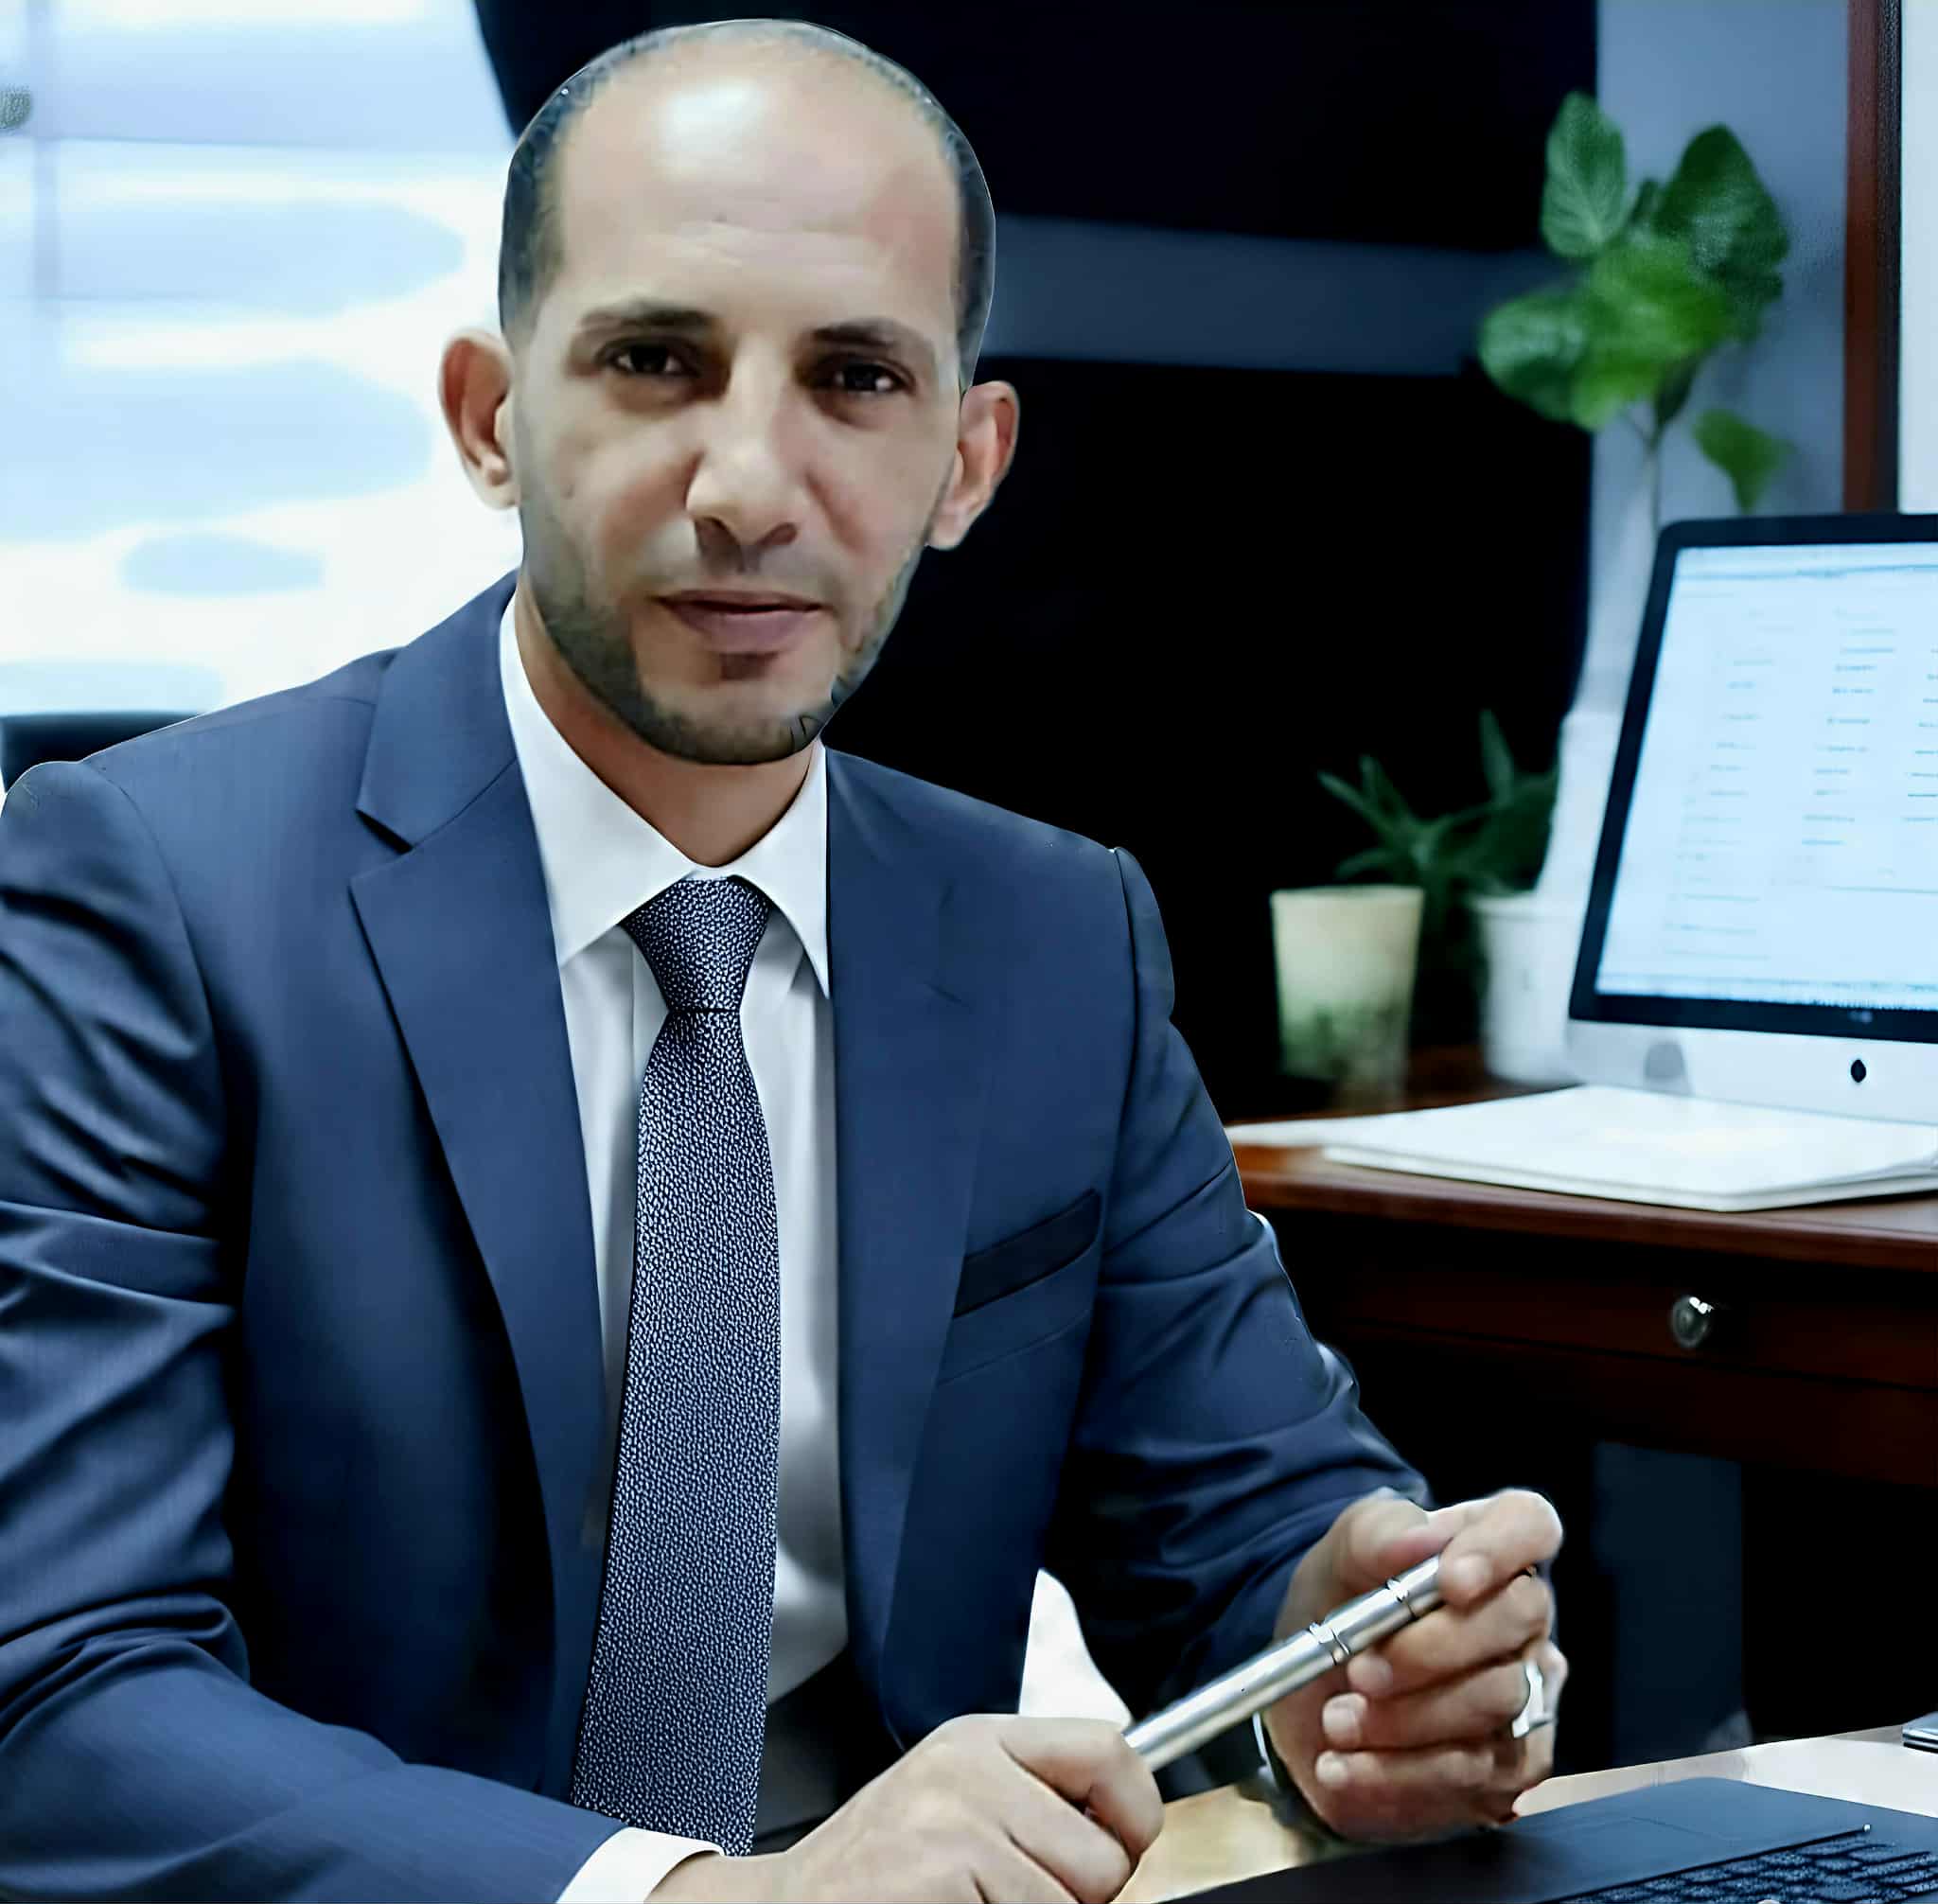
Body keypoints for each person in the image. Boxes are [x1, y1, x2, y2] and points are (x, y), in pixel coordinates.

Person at [0, 18, 1567, 1903]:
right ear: (490, 418)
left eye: (854, 378)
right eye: (655, 361)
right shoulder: (148, 892)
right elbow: (61, 1698)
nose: (750, 484)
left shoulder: (1056, 934)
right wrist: (694, 1899)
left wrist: (1365, 1652)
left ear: (966, 462)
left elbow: (1247, 1527)